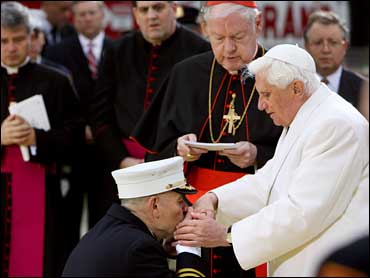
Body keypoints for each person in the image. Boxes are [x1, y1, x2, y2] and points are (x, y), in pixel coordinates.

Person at [173, 44, 369, 277]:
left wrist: (227, 235)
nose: (260, 105)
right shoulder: (308, 115)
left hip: (325, 262)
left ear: (296, 88)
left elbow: (303, 211)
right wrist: (215, 199)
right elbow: (269, 180)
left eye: (266, 94)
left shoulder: (336, 124)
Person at [132, 2, 282, 276]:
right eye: (218, 39)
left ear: (257, 25)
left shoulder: (280, 74)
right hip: (193, 209)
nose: (228, 49)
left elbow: (301, 150)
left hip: (258, 210)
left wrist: (257, 154)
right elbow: (154, 153)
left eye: (237, 38)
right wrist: (178, 150)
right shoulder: (186, 74)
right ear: (205, 30)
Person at [89, 1, 210, 220]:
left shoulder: (199, 50)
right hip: (121, 169)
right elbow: (100, 116)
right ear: (135, 14)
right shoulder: (117, 51)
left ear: (173, 9)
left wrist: (170, 158)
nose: (151, 16)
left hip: (177, 169)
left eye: (158, 8)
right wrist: (121, 159)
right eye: (144, 10)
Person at [0, 2, 84, 277]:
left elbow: (75, 139)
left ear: (31, 37)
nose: (11, 47)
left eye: (18, 39)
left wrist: (37, 137)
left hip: (42, 188)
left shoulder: (56, 81)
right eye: (3, 41)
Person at [44, 0, 115, 258]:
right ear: (73, 19)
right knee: (66, 221)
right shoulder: (57, 53)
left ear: (102, 16)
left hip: (107, 152)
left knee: (104, 218)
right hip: (71, 153)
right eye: (81, 14)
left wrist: (99, 129)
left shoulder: (117, 49)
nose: (87, 18)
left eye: (92, 13)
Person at [62, 156, 208, 277]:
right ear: (154, 205)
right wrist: (189, 248)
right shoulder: (140, 248)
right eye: (180, 201)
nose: (186, 208)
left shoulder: (107, 231)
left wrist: (163, 250)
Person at [304, 10, 369, 117]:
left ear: (345, 47)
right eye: (318, 42)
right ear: (306, 46)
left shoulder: (364, 89)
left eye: (333, 42)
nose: (325, 49)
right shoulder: (295, 87)